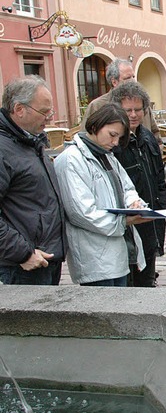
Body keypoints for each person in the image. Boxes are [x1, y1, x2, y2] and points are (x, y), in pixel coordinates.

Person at [54, 103, 148, 286]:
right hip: (94, 258)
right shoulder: (71, 160)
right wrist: (123, 221)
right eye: (112, 135)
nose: (115, 143)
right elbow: (81, 213)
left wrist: (134, 203)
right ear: (96, 126)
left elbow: (127, 187)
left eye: (119, 138)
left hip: (118, 254)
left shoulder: (106, 155)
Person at [0, 76, 65, 285]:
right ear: (19, 109)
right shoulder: (4, 148)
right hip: (22, 265)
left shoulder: (29, 141)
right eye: (44, 112)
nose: (49, 118)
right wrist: (23, 253)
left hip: (44, 259)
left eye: (51, 112)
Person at [112, 81, 166, 287]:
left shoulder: (147, 137)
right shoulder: (115, 142)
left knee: (148, 274)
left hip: (151, 217)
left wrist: (161, 205)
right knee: (132, 278)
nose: (134, 115)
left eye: (138, 110)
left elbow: (159, 177)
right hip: (131, 222)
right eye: (128, 110)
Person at [82, 58, 161, 144]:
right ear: (114, 82)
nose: (133, 81)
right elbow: (86, 138)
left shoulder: (141, 101)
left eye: (133, 77)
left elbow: (155, 133)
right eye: (127, 78)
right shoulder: (98, 106)